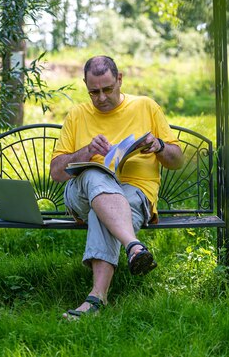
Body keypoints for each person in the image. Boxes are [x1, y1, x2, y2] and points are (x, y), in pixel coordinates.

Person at [50, 55, 184, 318]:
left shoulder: (146, 107)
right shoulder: (77, 114)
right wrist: (87, 152)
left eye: (107, 89)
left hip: (135, 192)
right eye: (94, 92)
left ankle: (96, 300)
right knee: (93, 176)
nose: (101, 97)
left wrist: (158, 146)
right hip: (81, 194)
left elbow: (177, 160)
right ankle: (134, 245)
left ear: (120, 79)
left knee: (105, 210)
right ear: (86, 87)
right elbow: (56, 172)